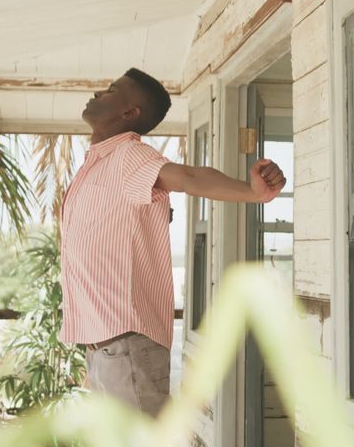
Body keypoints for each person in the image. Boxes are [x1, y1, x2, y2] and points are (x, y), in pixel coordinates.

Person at [59, 68, 286, 416]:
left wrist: (252, 193)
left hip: (126, 347)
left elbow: (188, 176)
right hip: (105, 350)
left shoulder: (129, 156)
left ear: (129, 113)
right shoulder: (95, 164)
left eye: (110, 90)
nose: (97, 93)